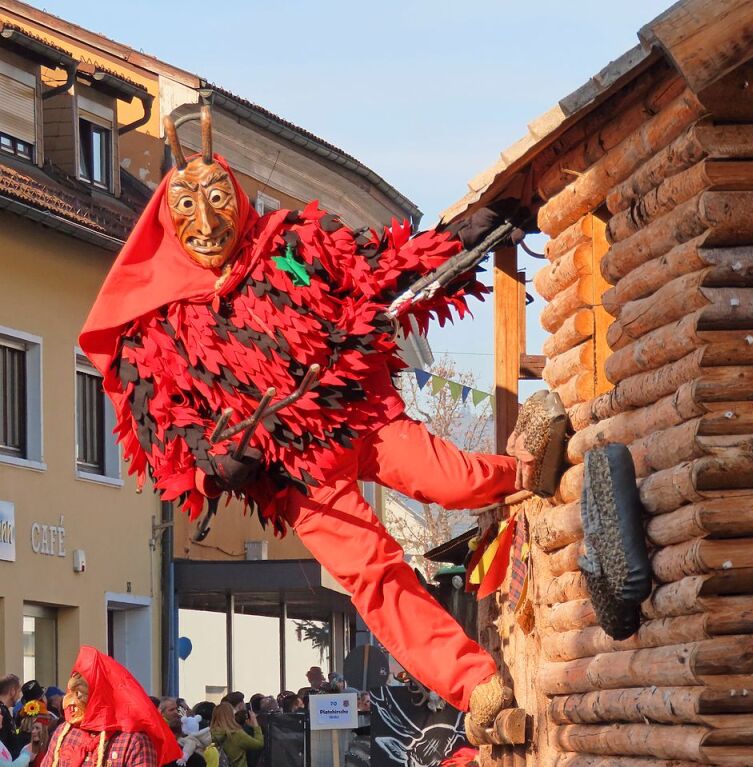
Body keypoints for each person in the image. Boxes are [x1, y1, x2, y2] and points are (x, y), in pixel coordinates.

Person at [78, 107, 544, 727]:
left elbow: (377, 270)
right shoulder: (154, 330)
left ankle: (530, 471)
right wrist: (214, 463)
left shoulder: (292, 246)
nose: (208, 222)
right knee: (374, 576)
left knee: (453, 481)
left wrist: (459, 237)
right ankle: (476, 683)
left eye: (218, 199)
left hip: (359, 417)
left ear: (238, 201)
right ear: (169, 223)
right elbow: (166, 428)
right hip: (300, 479)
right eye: (188, 209)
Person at [40, 646, 180, 767]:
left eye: (80, 693)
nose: (71, 701)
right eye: (72, 692)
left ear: (100, 695)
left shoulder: (133, 741)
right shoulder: (64, 732)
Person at [0, 675, 21, 756]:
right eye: (19, 691)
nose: (19, 696)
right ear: (12, 691)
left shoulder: (5, 711)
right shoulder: (1, 712)